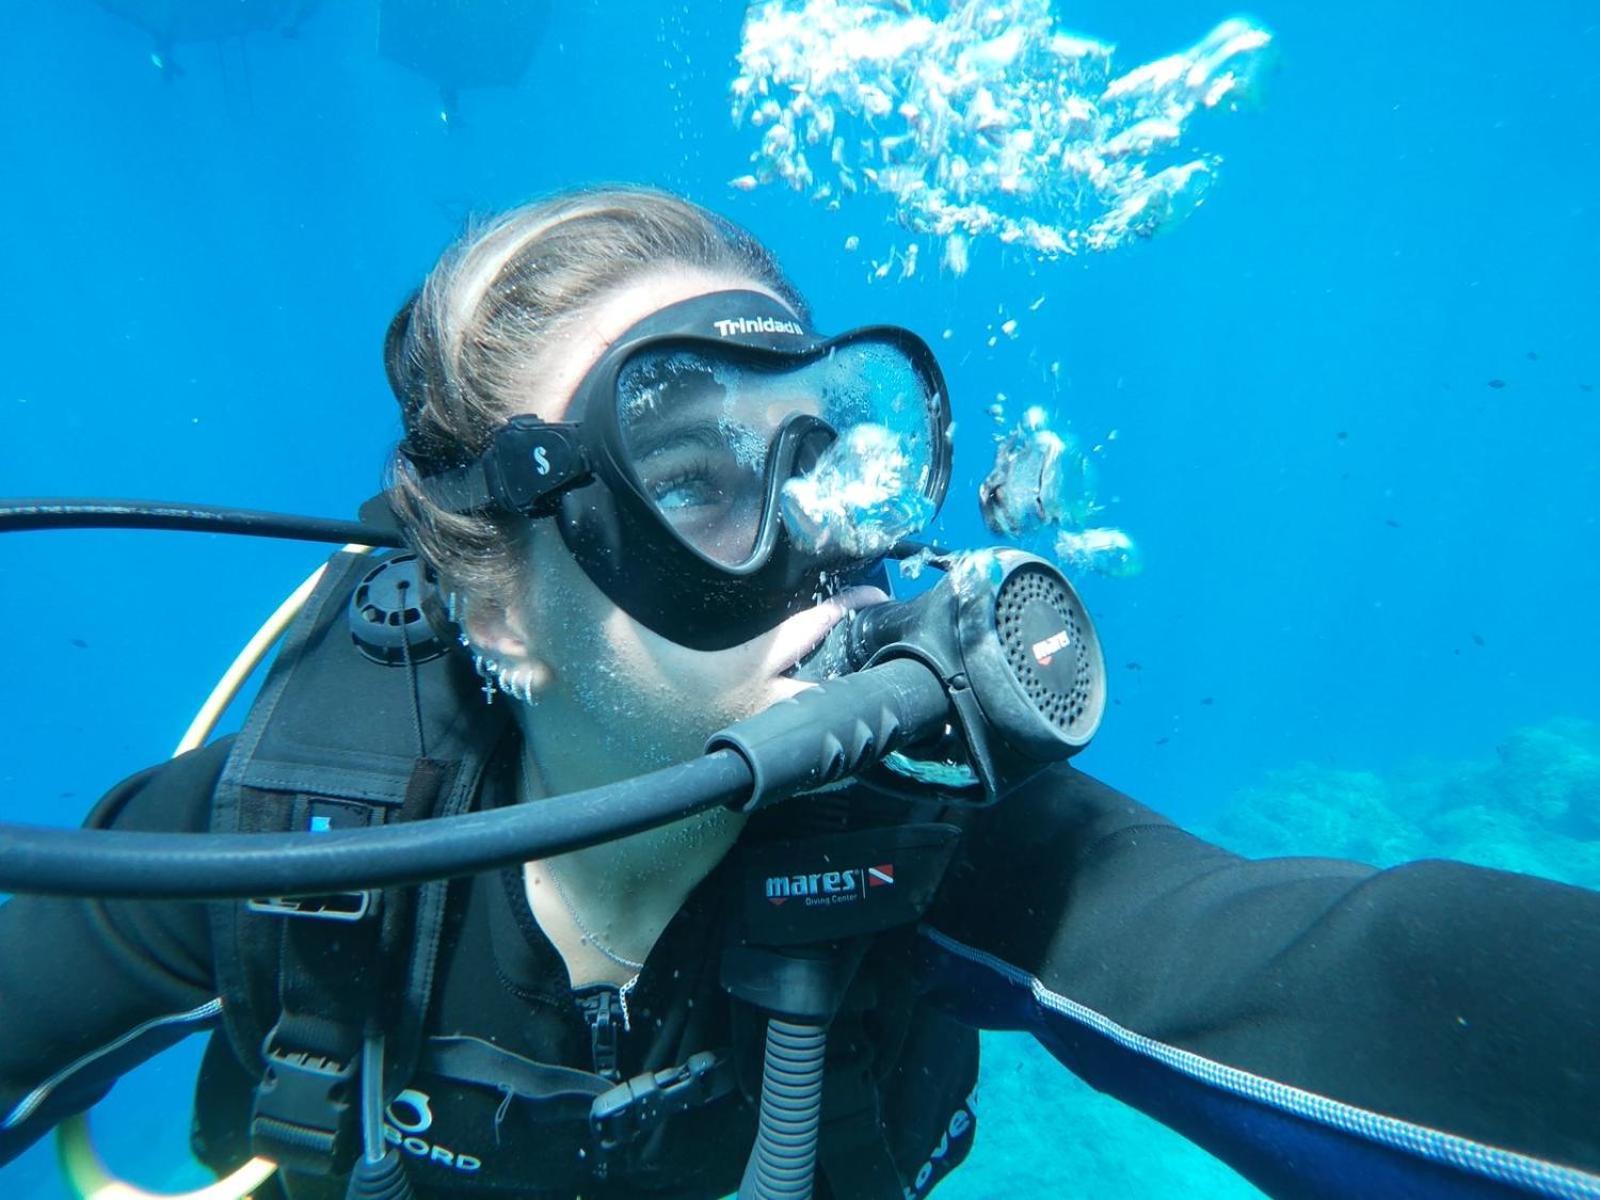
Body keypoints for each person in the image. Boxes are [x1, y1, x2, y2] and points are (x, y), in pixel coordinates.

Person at [1, 186, 1597, 1200]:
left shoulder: (918, 838)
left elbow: (1337, 974)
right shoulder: (300, 828)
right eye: (694, 476)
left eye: (817, 461)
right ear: (501, 598)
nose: (817, 560)